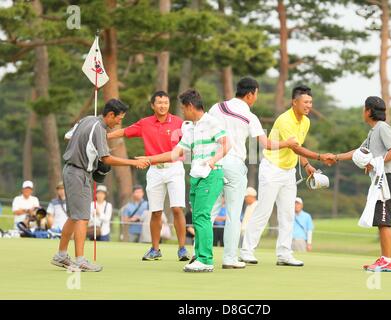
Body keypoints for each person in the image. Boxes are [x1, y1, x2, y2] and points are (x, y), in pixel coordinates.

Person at [208, 77, 299, 269]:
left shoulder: (217, 108)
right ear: (250, 94)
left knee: (209, 212)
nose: (255, 98)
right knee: (233, 214)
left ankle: (201, 255)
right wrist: (288, 144)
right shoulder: (250, 116)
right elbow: (267, 144)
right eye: (256, 94)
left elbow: (205, 132)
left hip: (213, 162)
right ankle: (230, 259)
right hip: (234, 165)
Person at [50, 99, 150, 272]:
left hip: (72, 170)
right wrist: (133, 163)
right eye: (118, 118)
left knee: (74, 216)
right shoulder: (99, 128)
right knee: (82, 217)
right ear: (110, 114)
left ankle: (61, 255)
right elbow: (107, 159)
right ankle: (80, 260)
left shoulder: (88, 119)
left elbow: (68, 135)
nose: (119, 122)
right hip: (79, 173)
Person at [240, 85, 335, 267]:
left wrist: (306, 164)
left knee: (287, 213)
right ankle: (246, 251)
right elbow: (295, 146)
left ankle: (284, 254)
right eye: (305, 102)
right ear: (295, 102)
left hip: (289, 171)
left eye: (311, 102)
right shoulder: (285, 120)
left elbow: (297, 148)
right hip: (272, 169)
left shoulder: (306, 122)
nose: (309, 105)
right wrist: (320, 157)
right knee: (264, 211)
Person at [139, 89, 230, 272]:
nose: (182, 111)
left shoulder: (212, 122)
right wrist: (149, 159)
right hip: (196, 176)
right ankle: (198, 255)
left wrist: (212, 160)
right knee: (197, 217)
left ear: (190, 106)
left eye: (183, 108)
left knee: (203, 216)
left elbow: (227, 144)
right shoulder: (190, 127)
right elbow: (175, 153)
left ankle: (205, 260)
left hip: (211, 174)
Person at [108, 91, 189, 261]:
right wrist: (105, 135)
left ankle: (182, 249)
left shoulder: (179, 123)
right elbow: (124, 132)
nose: (162, 105)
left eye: (166, 102)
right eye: (159, 102)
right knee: (156, 212)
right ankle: (155, 249)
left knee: (177, 208)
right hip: (154, 171)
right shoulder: (145, 123)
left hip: (175, 168)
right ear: (152, 105)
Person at [335, 96, 391, 272]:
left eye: (364, 109)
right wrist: (335, 157)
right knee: (382, 220)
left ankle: (387, 261)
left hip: (387, 178)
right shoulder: (373, 131)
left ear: (369, 111)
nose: (362, 112)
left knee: (384, 220)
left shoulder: (382, 128)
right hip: (382, 178)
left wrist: (376, 163)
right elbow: (359, 152)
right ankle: (384, 259)